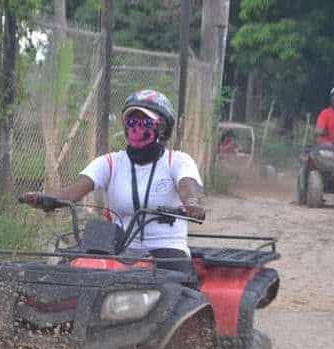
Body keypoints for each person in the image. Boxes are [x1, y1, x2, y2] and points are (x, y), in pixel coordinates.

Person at [22, 89, 204, 276]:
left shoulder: (178, 161)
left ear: (163, 127)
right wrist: (45, 199)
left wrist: (191, 204)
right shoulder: (110, 162)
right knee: (68, 272)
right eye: (131, 122)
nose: (137, 127)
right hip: (120, 246)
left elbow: (188, 188)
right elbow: (71, 193)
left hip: (166, 247)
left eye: (146, 122)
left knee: (181, 286)